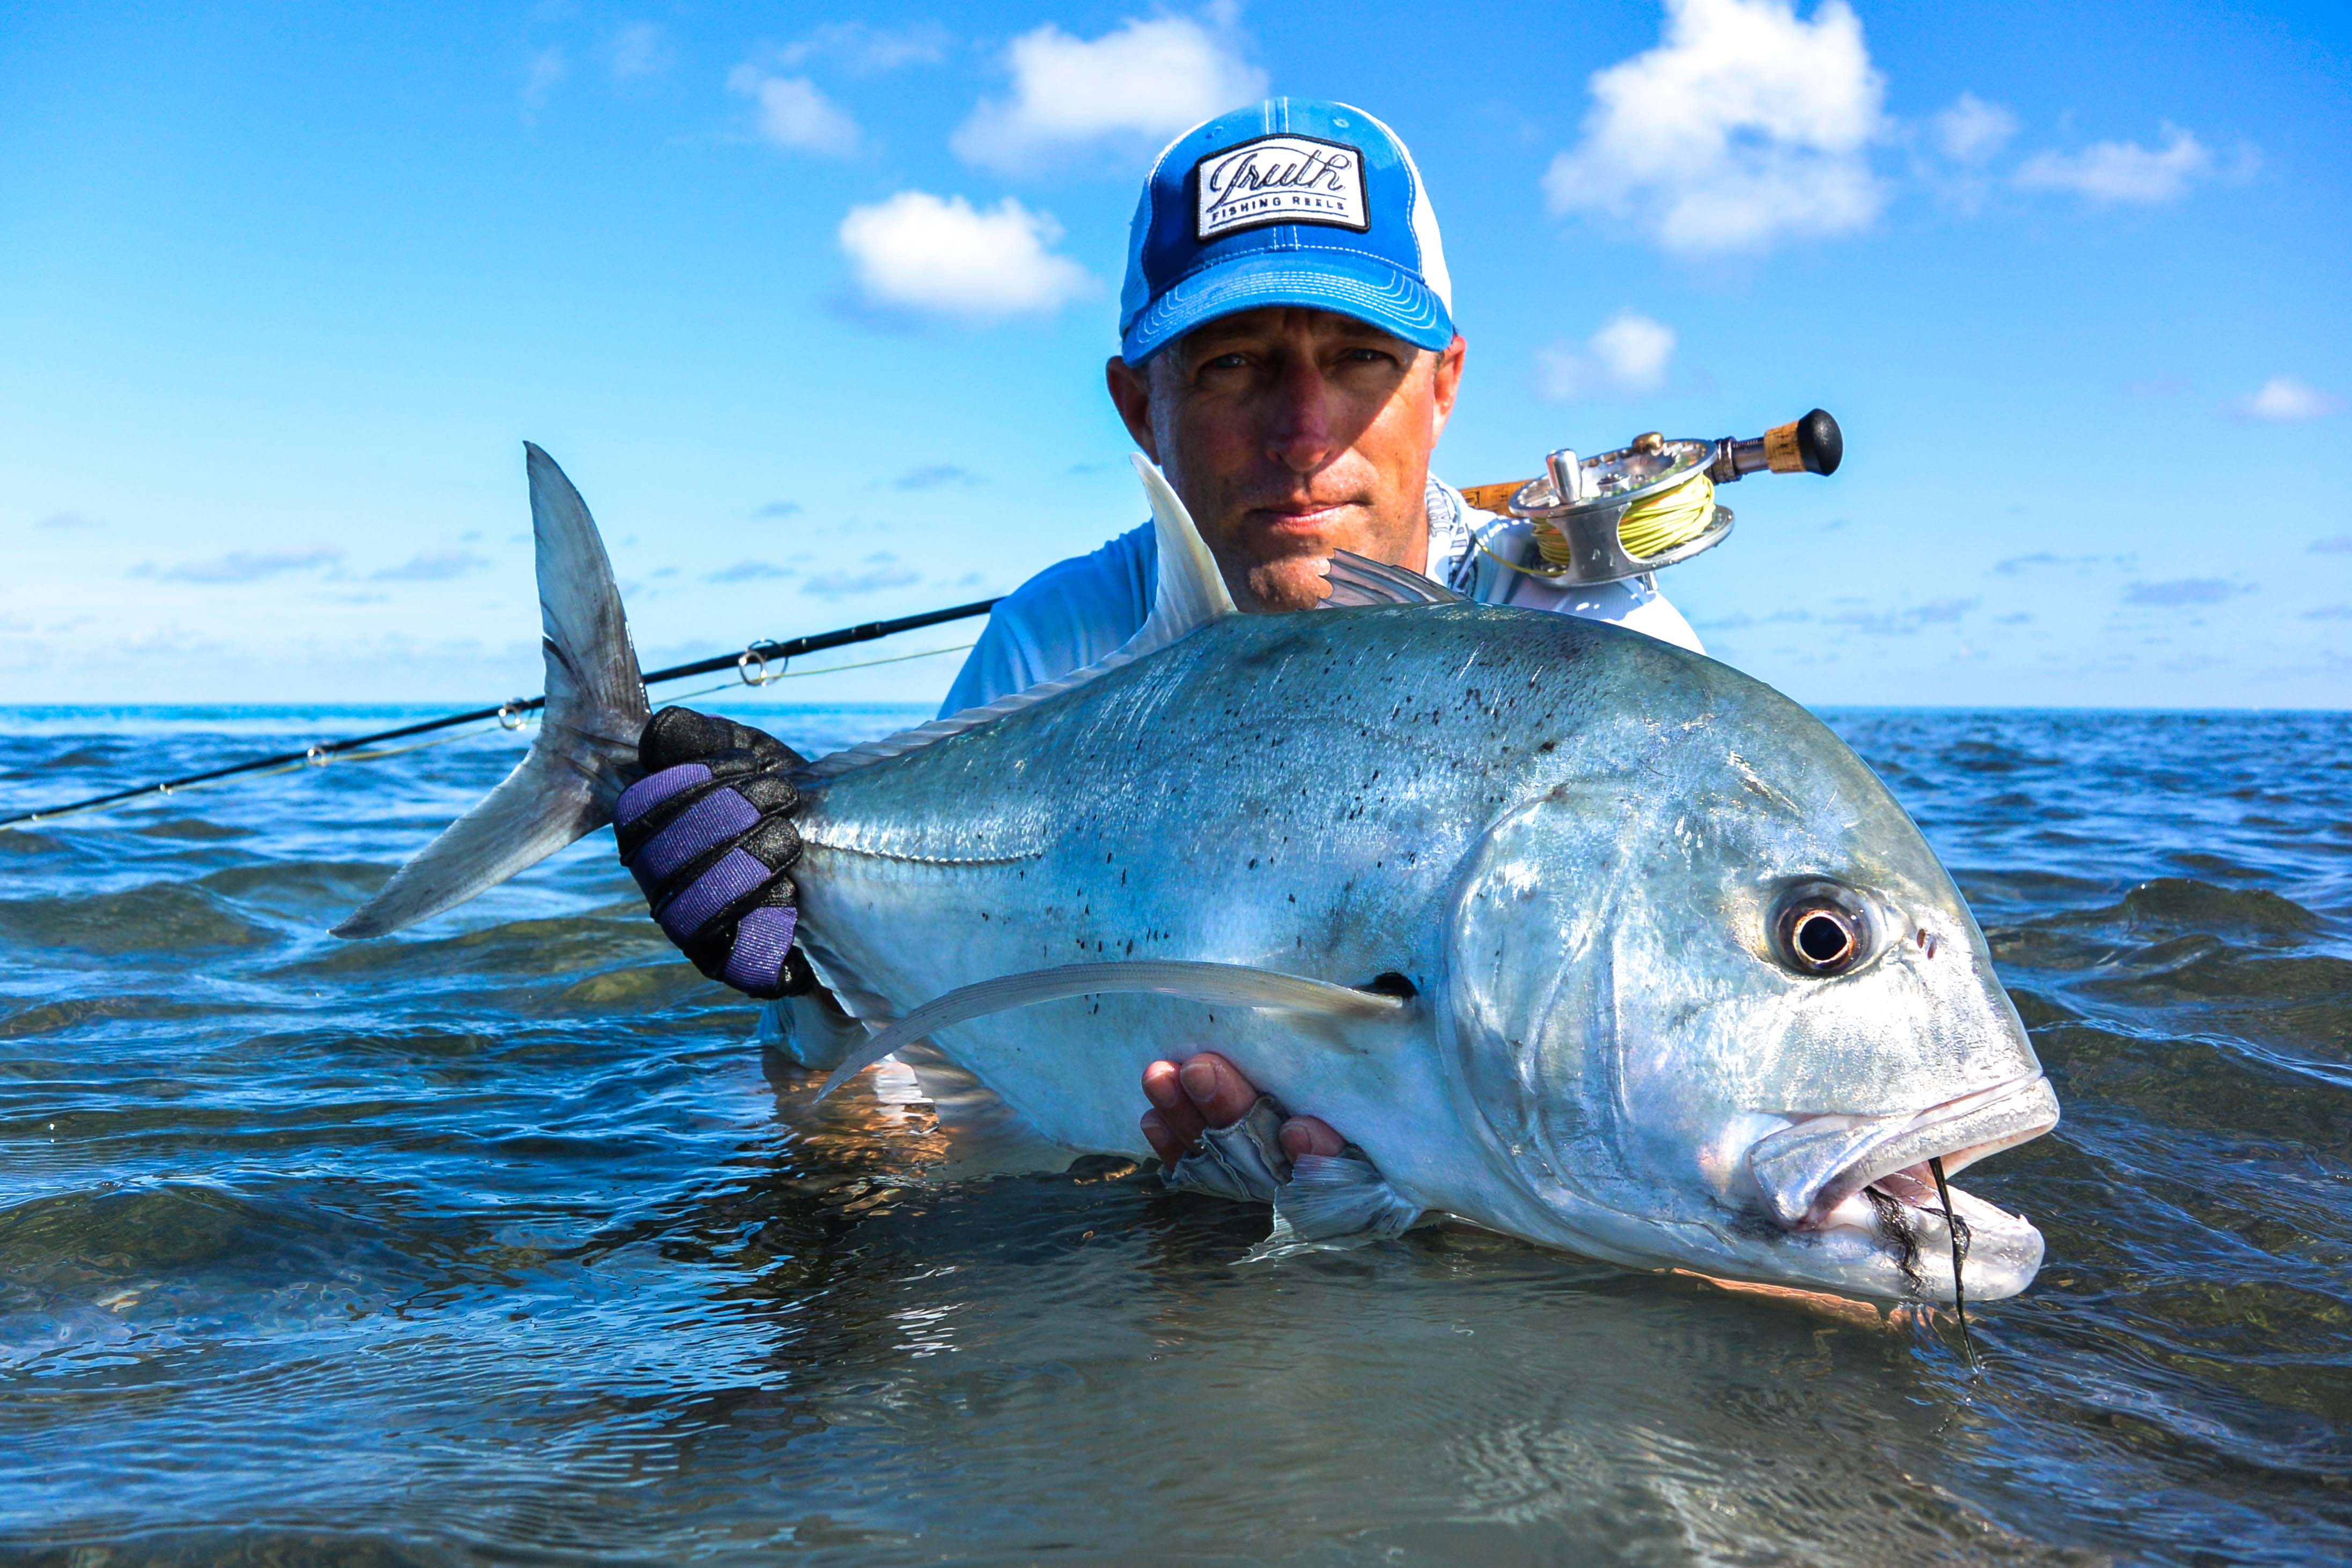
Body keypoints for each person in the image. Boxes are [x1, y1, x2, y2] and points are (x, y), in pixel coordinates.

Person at [611, 98, 1702, 1193]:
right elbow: (890, 1127)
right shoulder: (1055, 645)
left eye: (1362, 357)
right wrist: (810, 972)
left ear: (1444, 384)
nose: (1303, 435)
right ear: (1140, 408)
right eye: (1233, 364)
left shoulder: (1594, 658)